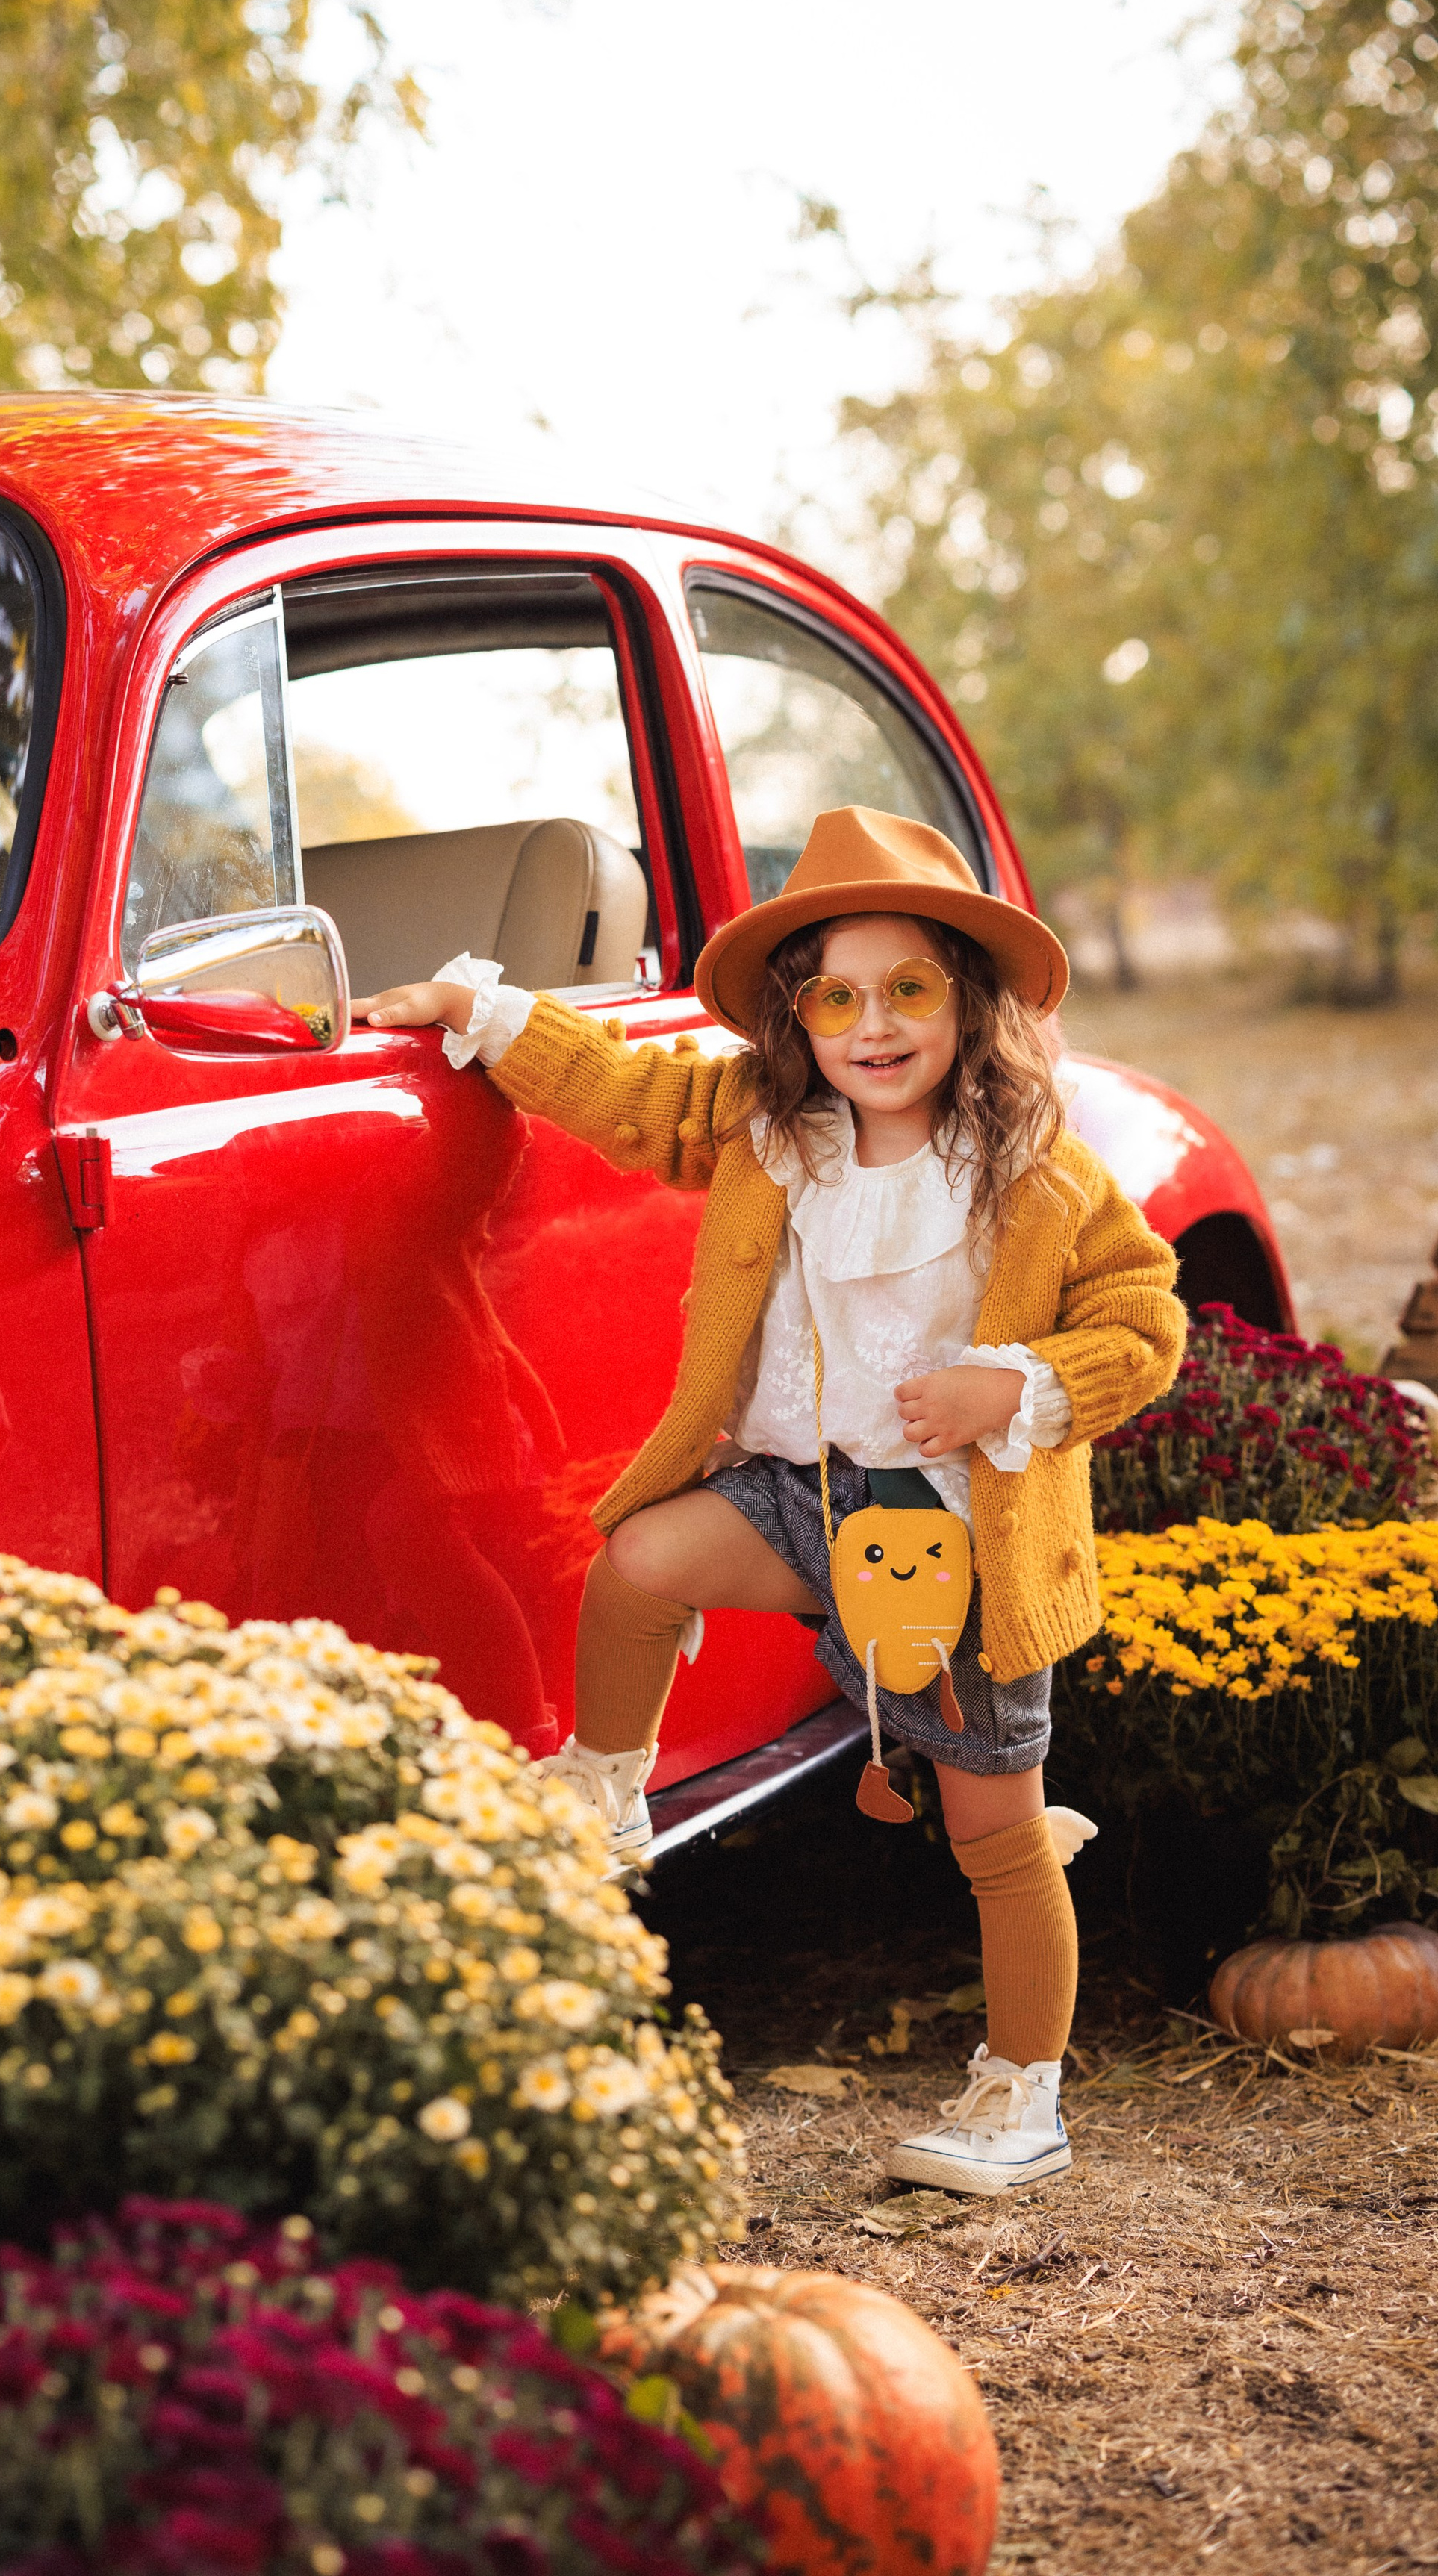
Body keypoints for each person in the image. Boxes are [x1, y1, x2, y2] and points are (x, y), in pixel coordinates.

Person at [355, 805, 1184, 2195]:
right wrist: (479, 1011)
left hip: (959, 1535)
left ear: (967, 1001)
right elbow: (629, 1093)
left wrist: (1016, 1385)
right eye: (836, 997)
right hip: (807, 1496)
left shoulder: (1035, 1170)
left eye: (907, 989)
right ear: (798, 1015)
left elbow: (1146, 1319)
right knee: (642, 1559)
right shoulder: (770, 1129)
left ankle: (1021, 2092)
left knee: (996, 1832)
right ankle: (607, 1785)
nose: (874, 1025)